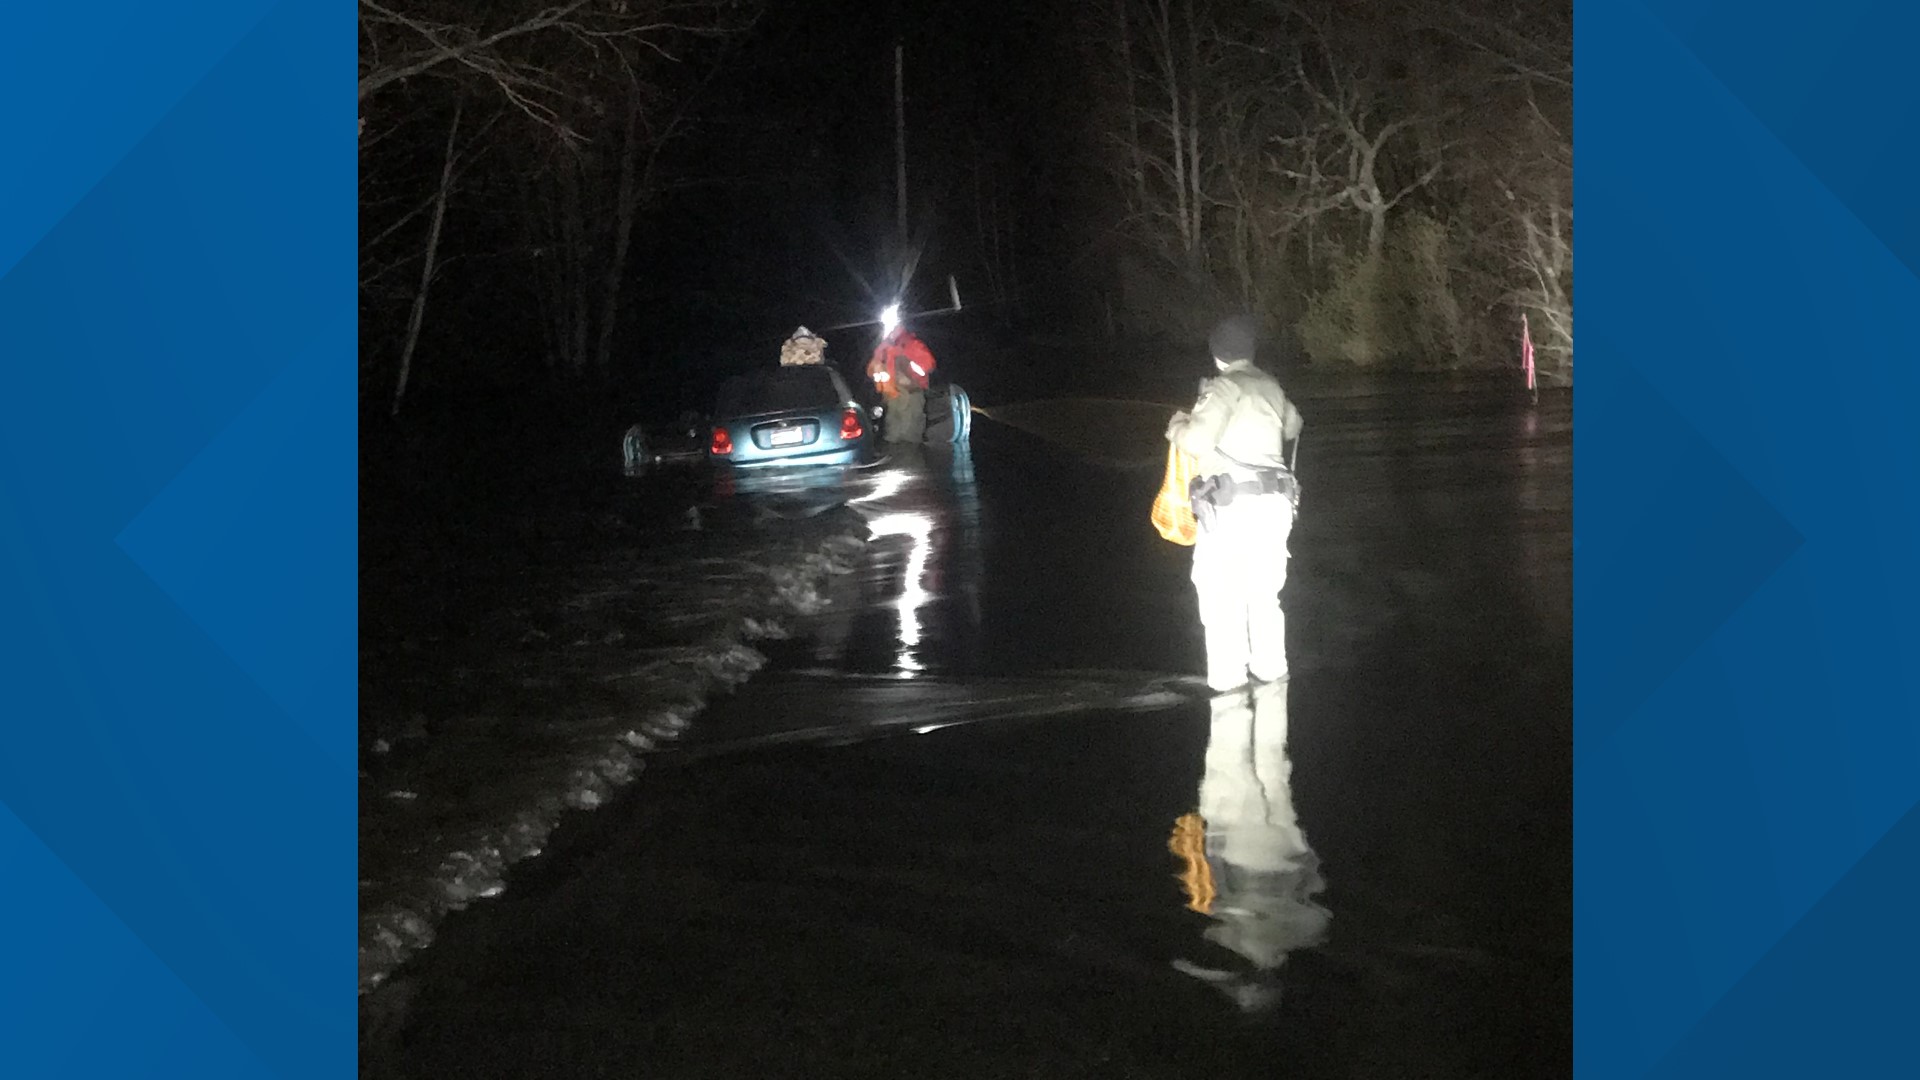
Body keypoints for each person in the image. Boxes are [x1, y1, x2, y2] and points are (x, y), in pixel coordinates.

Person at [1170, 681, 1330, 1012]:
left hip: (1284, 840)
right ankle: (1238, 698)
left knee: (1271, 762)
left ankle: (1251, 695)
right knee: (1230, 757)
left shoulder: (1309, 932)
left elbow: (1313, 876)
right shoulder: (1232, 936)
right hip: (1245, 847)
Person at [1165, 315, 1304, 692]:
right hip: (1276, 508)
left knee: (1221, 594)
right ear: (1251, 352)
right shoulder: (1271, 385)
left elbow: (1195, 442)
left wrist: (1177, 424)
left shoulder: (1222, 388)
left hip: (1233, 509)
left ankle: (1228, 690)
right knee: (1264, 595)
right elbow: (1293, 425)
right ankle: (1273, 677)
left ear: (1216, 354)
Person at [867, 317, 937, 444]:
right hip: (891, 397)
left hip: (911, 395)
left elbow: (928, 365)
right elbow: (871, 370)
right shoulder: (883, 348)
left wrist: (909, 375)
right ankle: (896, 459)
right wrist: (877, 368)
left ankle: (913, 460)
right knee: (892, 435)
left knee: (911, 436)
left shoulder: (912, 344)